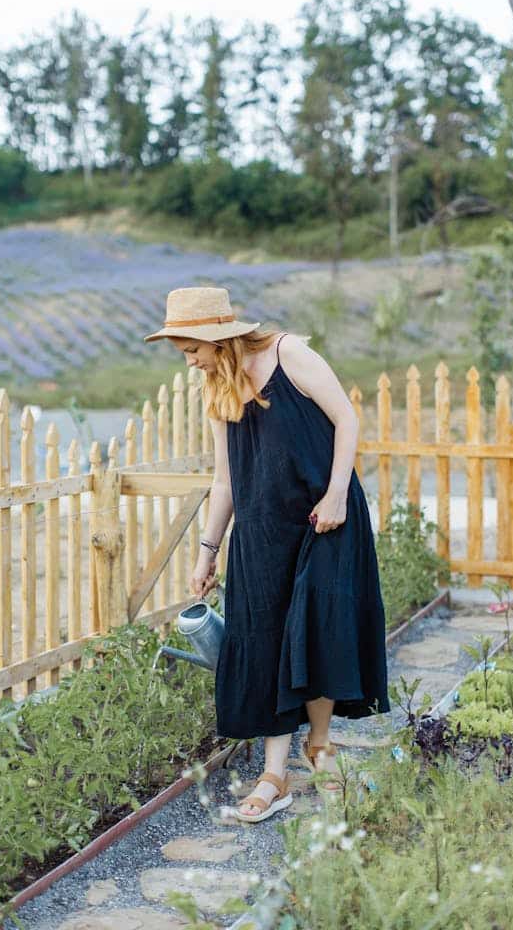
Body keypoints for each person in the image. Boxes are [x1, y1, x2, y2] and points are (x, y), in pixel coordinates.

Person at [144, 286, 389, 823]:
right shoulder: (217, 389)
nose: (189, 363)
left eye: (191, 350)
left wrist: (336, 495)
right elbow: (225, 478)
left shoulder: (288, 354)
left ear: (217, 337)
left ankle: (319, 745)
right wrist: (208, 551)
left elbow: (347, 419)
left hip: (326, 521)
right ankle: (273, 776)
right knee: (264, 643)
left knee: (320, 632)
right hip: (260, 532)